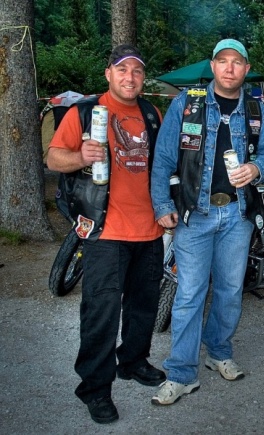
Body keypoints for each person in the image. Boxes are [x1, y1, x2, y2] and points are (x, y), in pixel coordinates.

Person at [150, 39, 264, 406]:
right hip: (195, 214)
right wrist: (162, 204)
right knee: (190, 293)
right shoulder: (186, 104)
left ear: (246, 69)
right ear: (213, 66)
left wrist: (256, 168)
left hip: (238, 214)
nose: (230, 68)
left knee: (230, 290)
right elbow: (163, 158)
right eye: (223, 61)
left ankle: (218, 351)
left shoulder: (256, 108)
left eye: (237, 62)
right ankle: (181, 373)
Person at [47, 44, 165, 424]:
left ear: (143, 78)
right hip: (105, 229)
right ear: (108, 74)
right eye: (122, 70)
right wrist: (81, 157)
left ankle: (133, 361)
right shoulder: (85, 112)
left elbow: (163, 164)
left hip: (149, 229)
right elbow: (53, 158)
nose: (130, 77)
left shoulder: (152, 113)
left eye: (137, 71)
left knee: (143, 306)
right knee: (101, 313)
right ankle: (95, 389)